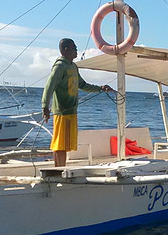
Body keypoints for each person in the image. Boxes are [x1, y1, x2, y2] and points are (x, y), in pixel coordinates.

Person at [41, 38, 114, 167]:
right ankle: (59, 171)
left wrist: (100, 89)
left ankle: (61, 169)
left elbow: (82, 84)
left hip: (72, 111)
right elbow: (49, 87)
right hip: (61, 112)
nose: (76, 50)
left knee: (66, 144)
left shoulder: (73, 66)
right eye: (74, 47)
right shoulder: (59, 66)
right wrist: (45, 107)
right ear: (65, 50)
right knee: (59, 145)